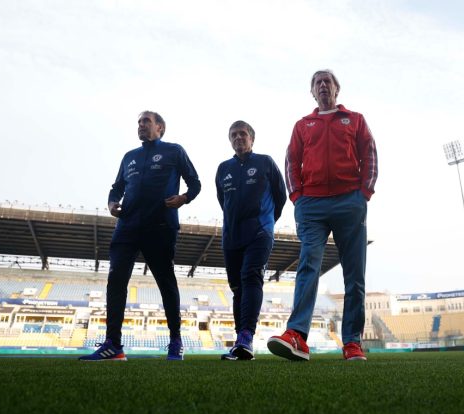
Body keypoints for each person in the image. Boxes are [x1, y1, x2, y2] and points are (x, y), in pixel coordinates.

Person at [267, 69, 378, 361]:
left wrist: (364, 193)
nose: (323, 85)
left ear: (337, 89)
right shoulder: (303, 125)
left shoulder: (355, 120)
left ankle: (352, 342)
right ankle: (297, 336)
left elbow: (369, 154)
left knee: (354, 274)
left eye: (327, 81)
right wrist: (297, 198)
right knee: (308, 265)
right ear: (312, 92)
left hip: (349, 202)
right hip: (312, 205)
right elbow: (291, 160)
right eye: (317, 82)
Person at [80, 110, 201, 361]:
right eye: (139, 122)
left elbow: (195, 183)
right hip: (127, 227)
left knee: (165, 281)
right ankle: (113, 344)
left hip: (160, 226)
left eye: (146, 121)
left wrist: (183, 198)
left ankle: (175, 341)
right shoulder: (129, 157)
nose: (141, 126)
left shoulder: (174, 151)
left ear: (160, 128)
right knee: (116, 281)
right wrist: (112, 204)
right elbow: (116, 189)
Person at [215, 121, 286, 361]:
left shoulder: (265, 162)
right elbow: (223, 201)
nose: (238, 138)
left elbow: (280, 196)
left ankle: (246, 336)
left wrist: (267, 221)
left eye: (242, 134)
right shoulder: (223, 168)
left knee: (251, 276)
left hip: (260, 232)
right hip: (231, 236)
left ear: (252, 138)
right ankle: (241, 342)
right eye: (233, 135)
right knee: (237, 289)